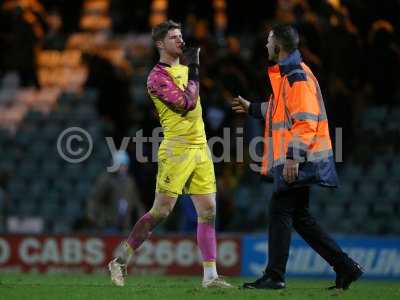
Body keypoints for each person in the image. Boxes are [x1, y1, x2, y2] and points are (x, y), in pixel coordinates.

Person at [232, 24, 362, 290]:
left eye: (269, 41)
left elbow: (305, 122)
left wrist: (293, 158)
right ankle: (345, 267)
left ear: (278, 46)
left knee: (280, 210)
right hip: (300, 157)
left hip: (299, 159)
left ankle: (275, 275)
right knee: (300, 218)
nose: (266, 45)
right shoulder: (290, 75)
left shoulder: (296, 77)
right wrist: (253, 108)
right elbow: (281, 111)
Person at [108, 20, 232, 289]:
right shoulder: (156, 78)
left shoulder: (186, 70)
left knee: (209, 210)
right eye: (174, 37)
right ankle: (120, 260)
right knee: (161, 211)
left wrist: (194, 70)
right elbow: (186, 104)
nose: (181, 41)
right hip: (176, 149)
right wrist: (196, 69)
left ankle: (210, 275)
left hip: (200, 146)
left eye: (181, 36)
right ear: (160, 44)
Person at [87, 151, 145, 233]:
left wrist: (143, 218)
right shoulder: (106, 179)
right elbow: (95, 199)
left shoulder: (129, 181)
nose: (123, 168)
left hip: (126, 224)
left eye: (124, 165)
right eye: (120, 165)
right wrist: (93, 216)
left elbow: (136, 202)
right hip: (108, 224)